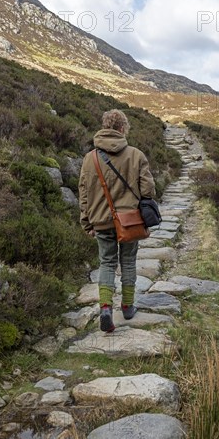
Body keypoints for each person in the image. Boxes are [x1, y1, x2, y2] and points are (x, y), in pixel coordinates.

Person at [78, 109, 156, 332]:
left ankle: (105, 308)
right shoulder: (136, 155)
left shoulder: (89, 158)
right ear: (122, 128)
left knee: (107, 263)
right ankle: (128, 306)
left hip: (101, 221)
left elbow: (83, 194)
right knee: (129, 262)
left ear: (105, 127)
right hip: (129, 221)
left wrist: (87, 222)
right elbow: (148, 190)